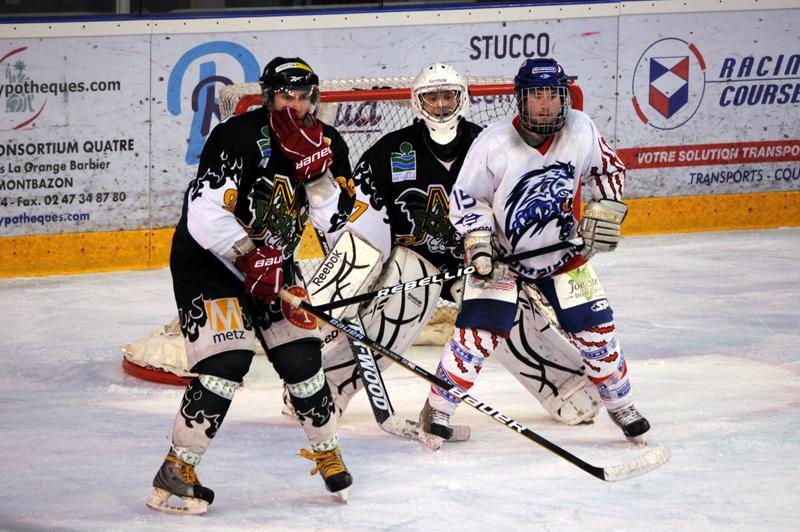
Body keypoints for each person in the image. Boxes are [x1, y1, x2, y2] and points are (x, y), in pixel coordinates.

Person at [315, 63, 600, 430]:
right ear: (417, 103)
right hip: (415, 260)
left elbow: (519, 205)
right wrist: (353, 278)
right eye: (432, 97)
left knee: (505, 310)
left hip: (477, 257)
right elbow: (362, 221)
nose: (441, 105)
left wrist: (518, 256)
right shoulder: (388, 151)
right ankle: (323, 389)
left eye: (448, 96)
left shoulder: (491, 145)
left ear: (462, 99)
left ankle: (565, 385)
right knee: (398, 311)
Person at [146, 57, 356, 515]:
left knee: (302, 358)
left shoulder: (329, 143)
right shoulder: (236, 135)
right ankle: (177, 469)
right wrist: (247, 253)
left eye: (303, 96)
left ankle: (327, 452)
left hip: (275, 266)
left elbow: (334, 223)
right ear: (267, 96)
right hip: (211, 261)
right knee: (227, 361)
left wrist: (317, 177)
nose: (295, 105)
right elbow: (202, 212)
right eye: (286, 96)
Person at [417, 57, 651, 449]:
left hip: (565, 254)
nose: (545, 104)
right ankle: (438, 409)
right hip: (502, 258)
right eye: (536, 95)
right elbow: (467, 199)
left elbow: (609, 169)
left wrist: (604, 210)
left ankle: (621, 404)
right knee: (477, 335)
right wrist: (480, 243)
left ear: (564, 98)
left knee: (597, 332)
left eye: (553, 95)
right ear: (522, 100)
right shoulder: (492, 143)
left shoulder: (581, 129)